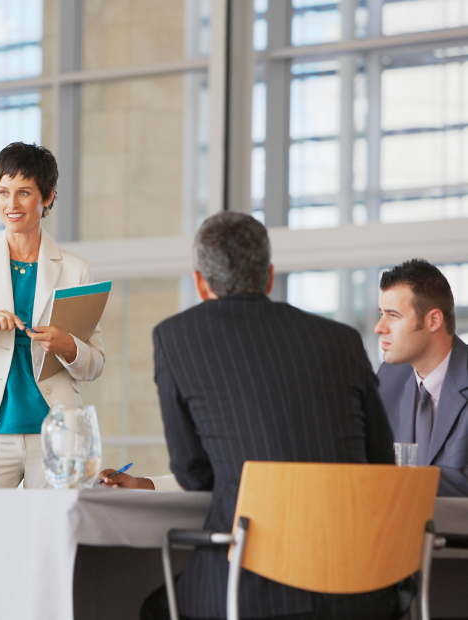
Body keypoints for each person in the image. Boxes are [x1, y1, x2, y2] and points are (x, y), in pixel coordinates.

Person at [100, 213, 401, 620]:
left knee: (145, 605)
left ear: (200, 283)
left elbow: (195, 475)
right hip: (360, 589)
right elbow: (381, 465)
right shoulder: (342, 340)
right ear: (270, 277)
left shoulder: (176, 336)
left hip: (249, 589)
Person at [0, 142, 105, 489]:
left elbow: (94, 364)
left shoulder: (75, 269)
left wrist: (67, 345)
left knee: (53, 535)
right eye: (3, 192)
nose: (11, 205)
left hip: (55, 433)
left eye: (24, 193)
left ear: (49, 195)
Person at [375, 259, 468, 491]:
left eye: (393, 315)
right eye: (381, 314)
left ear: (433, 320)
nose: (379, 327)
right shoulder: (389, 378)